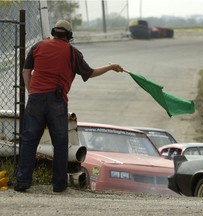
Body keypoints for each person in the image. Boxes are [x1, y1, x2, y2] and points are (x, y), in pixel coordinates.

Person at [14, 20, 124, 192]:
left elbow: (25, 71)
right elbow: (90, 73)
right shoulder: (73, 53)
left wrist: (32, 92)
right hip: (57, 102)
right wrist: (110, 67)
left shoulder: (37, 47)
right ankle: (58, 185)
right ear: (69, 35)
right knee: (60, 143)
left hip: (35, 99)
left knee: (29, 141)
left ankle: (23, 182)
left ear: (54, 32)